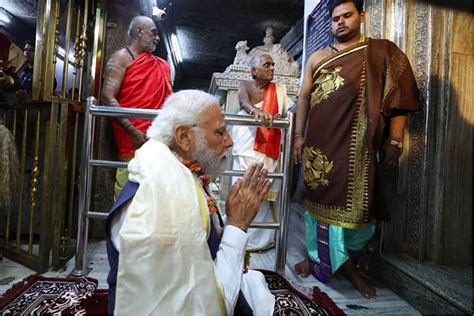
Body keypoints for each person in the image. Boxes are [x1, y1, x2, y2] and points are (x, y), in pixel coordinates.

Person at [106, 90, 275, 315]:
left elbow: (199, 236)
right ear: (184, 137)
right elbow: (203, 306)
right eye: (220, 132)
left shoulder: (176, 170)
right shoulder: (159, 202)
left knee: (256, 284)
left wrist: (229, 219)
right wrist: (237, 225)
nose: (230, 141)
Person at [292, 0, 419, 299]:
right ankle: (343, 268)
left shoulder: (381, 52)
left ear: (361, 16)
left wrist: (395, 140)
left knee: (361, 218)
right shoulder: (317, 58)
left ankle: (329, 258)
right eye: (335, 18)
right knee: (318, 209)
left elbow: (399, 100)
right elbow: (304, 99)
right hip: (320, 149)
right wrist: (299, 136)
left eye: (347, 16)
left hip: (360, 150)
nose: (340, 23)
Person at [102, 15, 173, 199]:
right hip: (130, 137)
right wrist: (132, 130)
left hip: (155, 136)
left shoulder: (162, 66)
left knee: (153, 190)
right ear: (139, 31)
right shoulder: (121, 58)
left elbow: (169, 103)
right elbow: (107, 97)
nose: (157, 38)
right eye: (154, 33)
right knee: (127, 189)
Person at [232, 52, 293, 251]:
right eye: (267, 65)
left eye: (273, 65)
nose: (272, 68)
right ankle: (237, 232)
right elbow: (243, 102)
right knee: (243, 182)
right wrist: (255, 111)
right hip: (247, 140)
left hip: (270, 145)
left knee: (264, 184)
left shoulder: (279, 91)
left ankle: (261, 238)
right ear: (254, 71)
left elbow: (288, 114)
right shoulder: (245, 84)